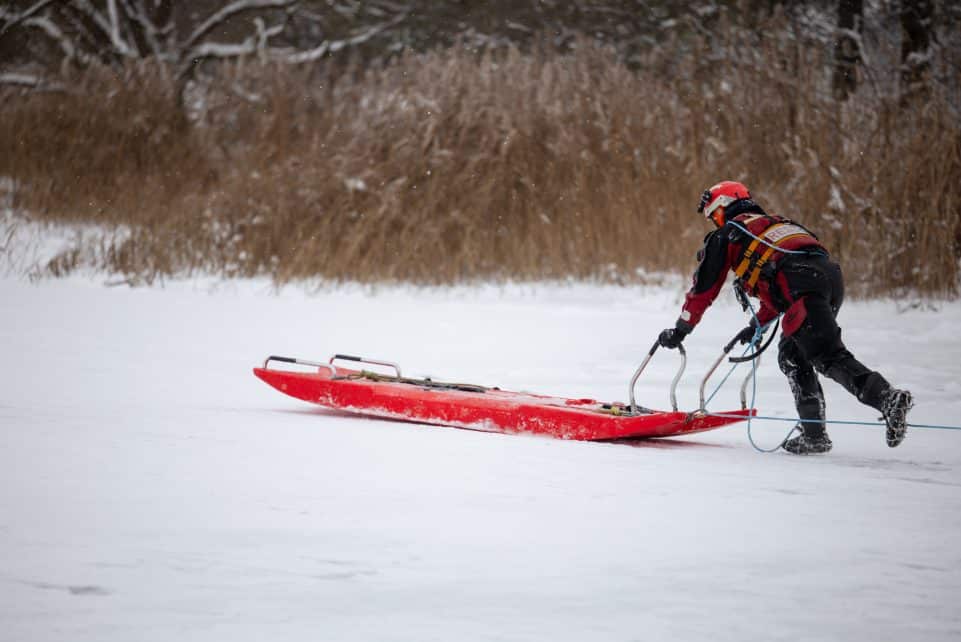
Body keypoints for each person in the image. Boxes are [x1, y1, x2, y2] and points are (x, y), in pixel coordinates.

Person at [657, 180, 913, 454]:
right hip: (828, 279)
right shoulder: (773, 225)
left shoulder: (730, 234)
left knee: (827, 355)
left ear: (726, 206)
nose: (716, 223)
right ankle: (813, 434)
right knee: (793, 353)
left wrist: (681, 329)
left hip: (802, 284)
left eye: (716, 215)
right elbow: (777, 280)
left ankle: (886, 398)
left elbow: (704, 289)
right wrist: (757, 324)